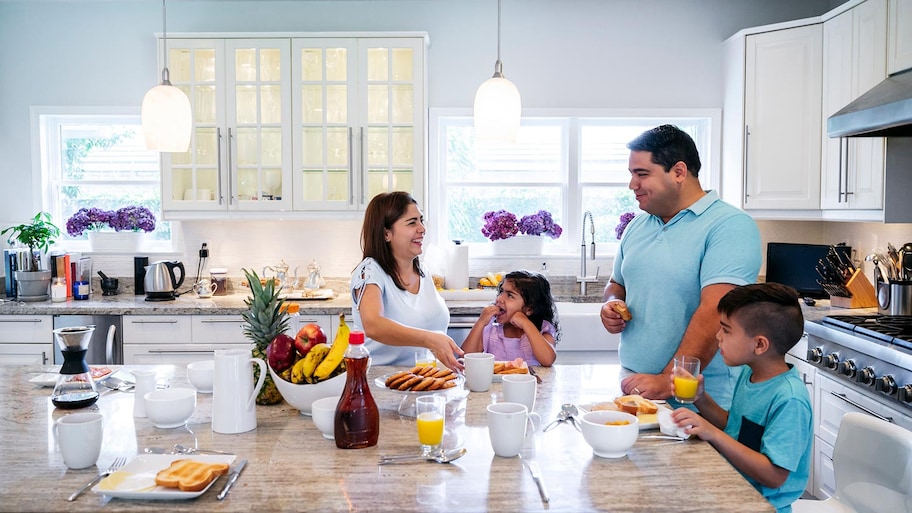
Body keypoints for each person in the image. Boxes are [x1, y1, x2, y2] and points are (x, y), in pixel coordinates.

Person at [600, 124, 761, 409]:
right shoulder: (636, 226)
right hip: (637, 386)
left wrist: (669, 380)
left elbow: (715, 310)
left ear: (678, 172)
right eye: (631, 174)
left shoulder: (730, 225)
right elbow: (617, 284)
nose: (632, 185)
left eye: (642, 174)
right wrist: (611, 304)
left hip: (699, 398)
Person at [670, 283, 812, 513]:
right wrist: (700, 398)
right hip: (733, 490)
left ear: (759, 344)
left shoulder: (790, 400)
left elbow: (774, 476)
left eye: (726, 330)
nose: (718, 336)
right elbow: (736, 428)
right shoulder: (750, 374)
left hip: (761, 505)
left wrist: (713, 434)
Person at [350, 192, 464, 370]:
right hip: (379, 382)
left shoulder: (422, 271)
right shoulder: (370, 271)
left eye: (421, 220)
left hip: (422, 380)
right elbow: (373, 325)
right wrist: (430, 339)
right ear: (387, 233)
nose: (422, 228)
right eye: (412, 223)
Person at [461, 270, 558, 366]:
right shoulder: (491, 331)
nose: (499, 299)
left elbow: (548, 360)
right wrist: (481, 323)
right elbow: (465, 357)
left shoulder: (542, 331)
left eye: (510, 295)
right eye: (501, 292)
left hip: (529, 381)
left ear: (529, 308)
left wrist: (526, 324)